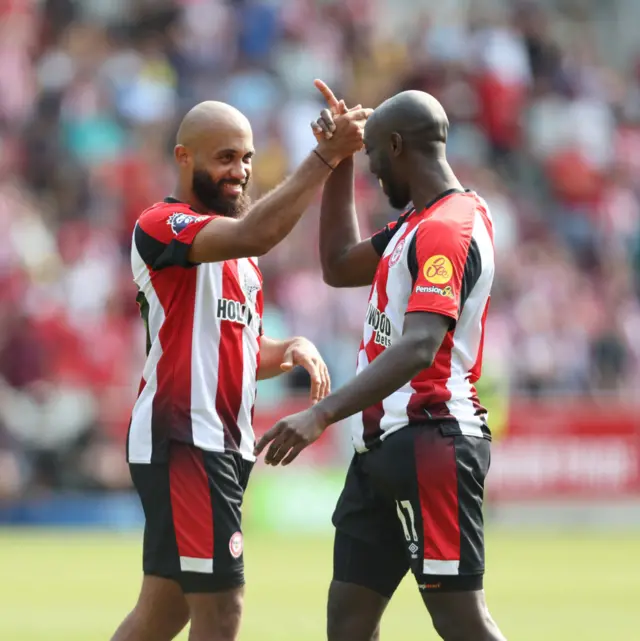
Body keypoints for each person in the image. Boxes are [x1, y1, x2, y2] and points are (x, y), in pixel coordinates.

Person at [111, 99, 372, 641]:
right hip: (185, 440)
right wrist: (326, 155)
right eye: (225, 157)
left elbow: (239, 349)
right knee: (223, 608)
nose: (241, 171)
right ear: (184, 158)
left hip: (222, 445)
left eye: (247, 158)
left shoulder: (239, 254)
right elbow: (256, 232)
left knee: (163, 613)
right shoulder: (163, 225)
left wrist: (288, 348)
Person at [256, 82, 506, 641]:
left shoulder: (446, 229)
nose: (373, 173)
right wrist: (339, 159)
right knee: (348, 618)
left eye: (370, 158)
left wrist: (320, 415)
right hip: (384, 449)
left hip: (432, 440)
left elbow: (420, 347)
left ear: (396, 145)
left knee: (462, 620)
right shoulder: (420, 223)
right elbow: (339, 263)